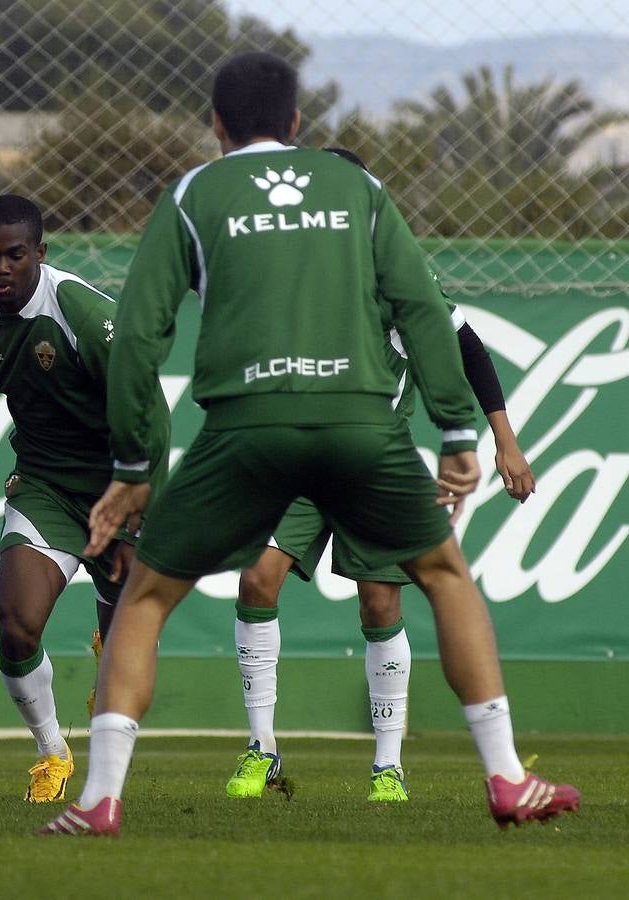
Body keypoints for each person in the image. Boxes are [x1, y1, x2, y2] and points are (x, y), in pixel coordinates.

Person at [40, 52, 579, 836]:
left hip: (243, 430)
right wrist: (460, 435)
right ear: (297, 124)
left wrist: (130, 467)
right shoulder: (358, 188)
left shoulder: (195, 193)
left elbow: (137, 341)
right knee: (445, 576)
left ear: (215, 126)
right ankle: (504, 776)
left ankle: (100, 800)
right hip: (360, 421)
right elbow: (426, 310)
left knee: (148, 598)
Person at [226, 147, 538, 804]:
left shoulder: (395, 262)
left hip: (373, 458)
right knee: (257, 577)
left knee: (381, 602)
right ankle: (262, 748)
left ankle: (388, 764)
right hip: (297, 453)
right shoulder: (283, 256)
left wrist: (503, 442)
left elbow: (465, 346)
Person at [0, 195, 170, 803]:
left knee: (126, 649)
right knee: (16, 626)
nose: (0, 269)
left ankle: (107, 764)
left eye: (15, 255)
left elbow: (147, 404)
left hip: (118, 487)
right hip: (45, 485)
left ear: (40, 254)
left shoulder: (76, 310)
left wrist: (139, 494)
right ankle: (51, 752)